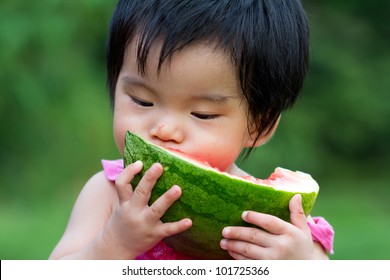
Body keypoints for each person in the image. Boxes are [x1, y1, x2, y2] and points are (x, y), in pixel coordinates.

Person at [49, 0, 334, 260]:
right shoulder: (107, 195)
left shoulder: (279, 224)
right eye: (142, 100)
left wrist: (300, 264)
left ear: (260, 124)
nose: (165, 129)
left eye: (202, 113)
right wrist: (112, 243)